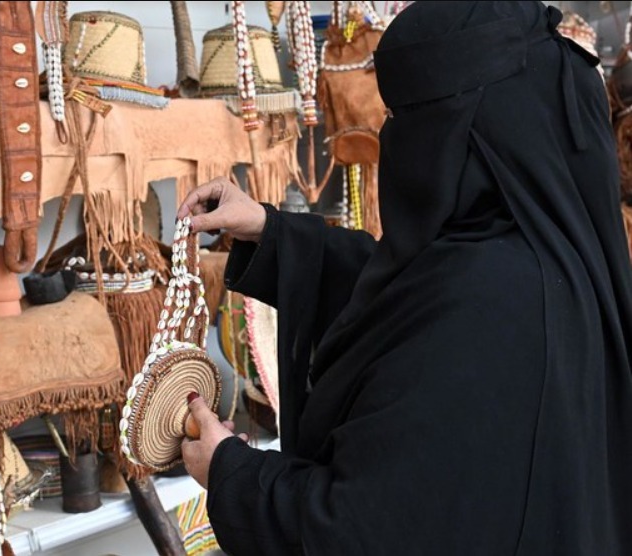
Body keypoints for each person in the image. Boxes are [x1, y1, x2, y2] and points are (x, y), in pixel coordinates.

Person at [177, 2, 632, 555]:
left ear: (452, 136)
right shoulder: (543, 255)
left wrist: (232, 475)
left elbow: (360, 530)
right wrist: (274, 234)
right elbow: (413, 296)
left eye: (402, 119)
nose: (390, 139)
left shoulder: (486, 303)